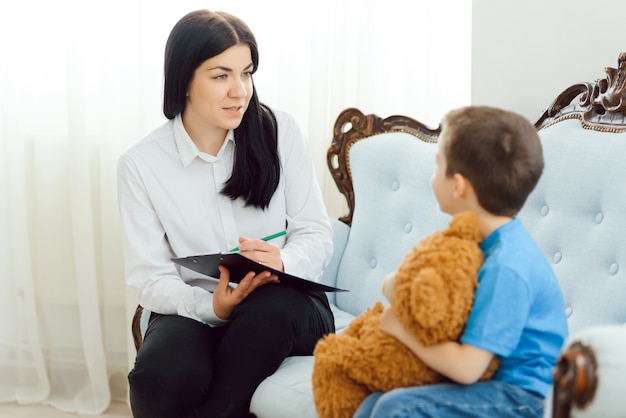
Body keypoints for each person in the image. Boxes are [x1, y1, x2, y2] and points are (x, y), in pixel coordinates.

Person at [116, 9, 335, 418]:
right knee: (159, 377)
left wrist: (284, 259)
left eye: (246, 73)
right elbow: (149, 277)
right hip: (196, 304)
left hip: (287, 307)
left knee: (265, 313)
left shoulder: (280, 131)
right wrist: (212, 309)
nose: (240, 91)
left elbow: (316, 232)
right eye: (221, 76)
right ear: (184, 81)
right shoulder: (141, 164)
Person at [353, 106, 569, 418]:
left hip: (526, 399)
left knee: (395, 407)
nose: (431, 176)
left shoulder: (506, 263)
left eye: (436, 165)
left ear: (458, 185)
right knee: (374, 401)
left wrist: (401, 328)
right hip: (496, 385)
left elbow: (468, 368)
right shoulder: (478, 244)